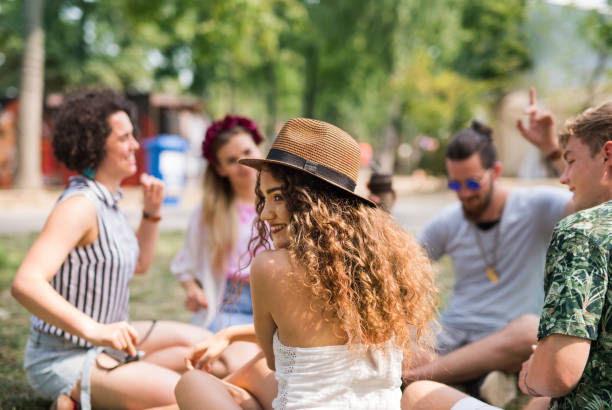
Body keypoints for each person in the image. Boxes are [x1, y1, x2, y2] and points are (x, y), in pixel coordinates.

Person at [174, 117, 438, 409]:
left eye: (278, 197)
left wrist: (232, 334)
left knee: (193, 382)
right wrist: (231, 333)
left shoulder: (271, 268)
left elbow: (274, 359)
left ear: (314, 200)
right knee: (242, 391)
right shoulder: (385, 261)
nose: (265, 214)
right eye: (263, 199)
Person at [403, 95, 612, 410]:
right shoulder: (448, 221)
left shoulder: (549, 214)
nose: (465, 194)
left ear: (495, 172)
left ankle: (417, 378)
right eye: (456, 186)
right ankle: (471, 379)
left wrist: (550, 149)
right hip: (453, 336)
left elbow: (592, 203)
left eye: (472, 183)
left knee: (528, 330)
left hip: (511, 338)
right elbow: (403, 267)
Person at [10, 89, 215, 409]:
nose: (135, 144)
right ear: (94, 147)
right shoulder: (80, 206)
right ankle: (78, 392)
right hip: (63, 355)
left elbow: (141, 264)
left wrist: (151, 212)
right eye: (125, 138)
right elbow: (26, 283)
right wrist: (95, 330)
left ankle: (79, 400)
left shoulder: (110, 202)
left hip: (109, 343)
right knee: (196, 398)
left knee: (204, 346)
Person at [170, 115, 263, 369]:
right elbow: (184, 263)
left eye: (247, 151)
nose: (244, 163)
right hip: (229, 305)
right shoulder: (210, 212)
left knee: (229, 367)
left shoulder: (285, 202)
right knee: (246, 365)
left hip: (274, 306)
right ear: (220, 169)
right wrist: (193, 289)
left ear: (259, 146)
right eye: (232, 160)